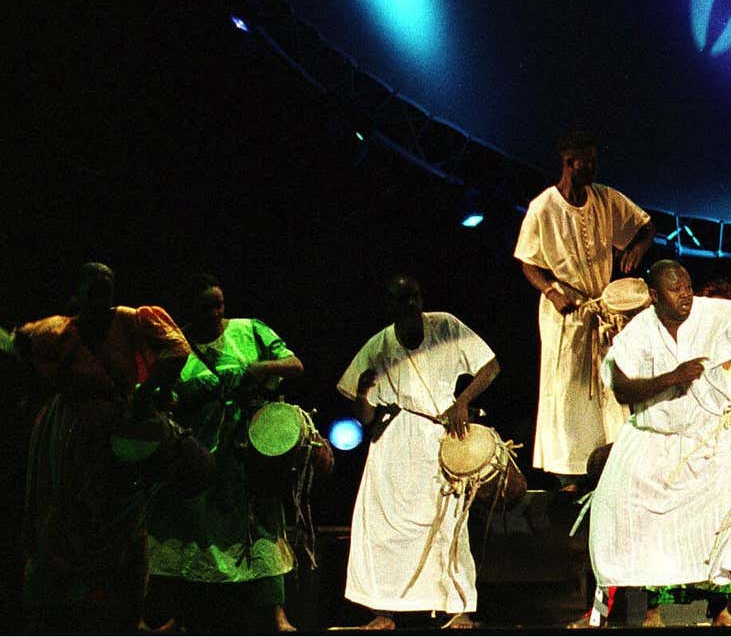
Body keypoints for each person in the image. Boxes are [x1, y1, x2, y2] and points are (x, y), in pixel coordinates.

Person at [583, 261, 731, 627]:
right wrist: (673, 377)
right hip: (652, 442)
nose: (685, 294)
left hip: (708, 443)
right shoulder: (640, 330)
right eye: (675, 289)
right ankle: (621, 613)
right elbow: (622, 388)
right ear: (654, 296)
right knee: (616, 512)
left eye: (687, 286)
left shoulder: (721, 314)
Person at [14, 263, 192, 631]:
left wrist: (147, 394)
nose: (102, 297)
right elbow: (21, 342)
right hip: (71, 434)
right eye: (94, 289)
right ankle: (71, 611)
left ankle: (132, 616)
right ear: (80, 293)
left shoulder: (127, 320)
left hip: (122, 428)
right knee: (69, 514)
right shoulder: (61, 329)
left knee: (129, 519)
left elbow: (177, 348)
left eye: (107, 288)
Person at [145, 274, 307, 632]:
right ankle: (175, 614)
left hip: (244, 446)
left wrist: (259, 368)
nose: (216, 312)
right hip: (196, 448)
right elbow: (156, 391)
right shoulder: (175, 345)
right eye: (207, 307)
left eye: (220, 304)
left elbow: (295, 365)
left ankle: (276, 614)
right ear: (190, 309)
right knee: (184, 524)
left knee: (261, 522)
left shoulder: (250, 330)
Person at [336, 275, 501, 630]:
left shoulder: (444, 325)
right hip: (395, 440)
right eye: (400, 299)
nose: (409, 304)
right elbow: (363, 418)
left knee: (449, 520)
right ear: (390, 305)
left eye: (414, 296)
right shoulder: (377, 346)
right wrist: (364, 395)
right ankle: (384, 610)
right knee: (384, 525)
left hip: (441, 433)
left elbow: (491, 366)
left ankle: (458, 608)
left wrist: (463, 401)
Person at [514, 130, 653, 488]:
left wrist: (638, 246)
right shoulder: (543, 206)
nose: (592, 168)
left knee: (609, 388)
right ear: (567, 162)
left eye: (594, 160)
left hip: (603, 308)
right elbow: (528, 261)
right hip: (567, 310)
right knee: (568, 389)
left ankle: (614, 464)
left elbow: (645, 223)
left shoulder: (605, 198)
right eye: (585, 162)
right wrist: (550, 290)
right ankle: (571, 474)